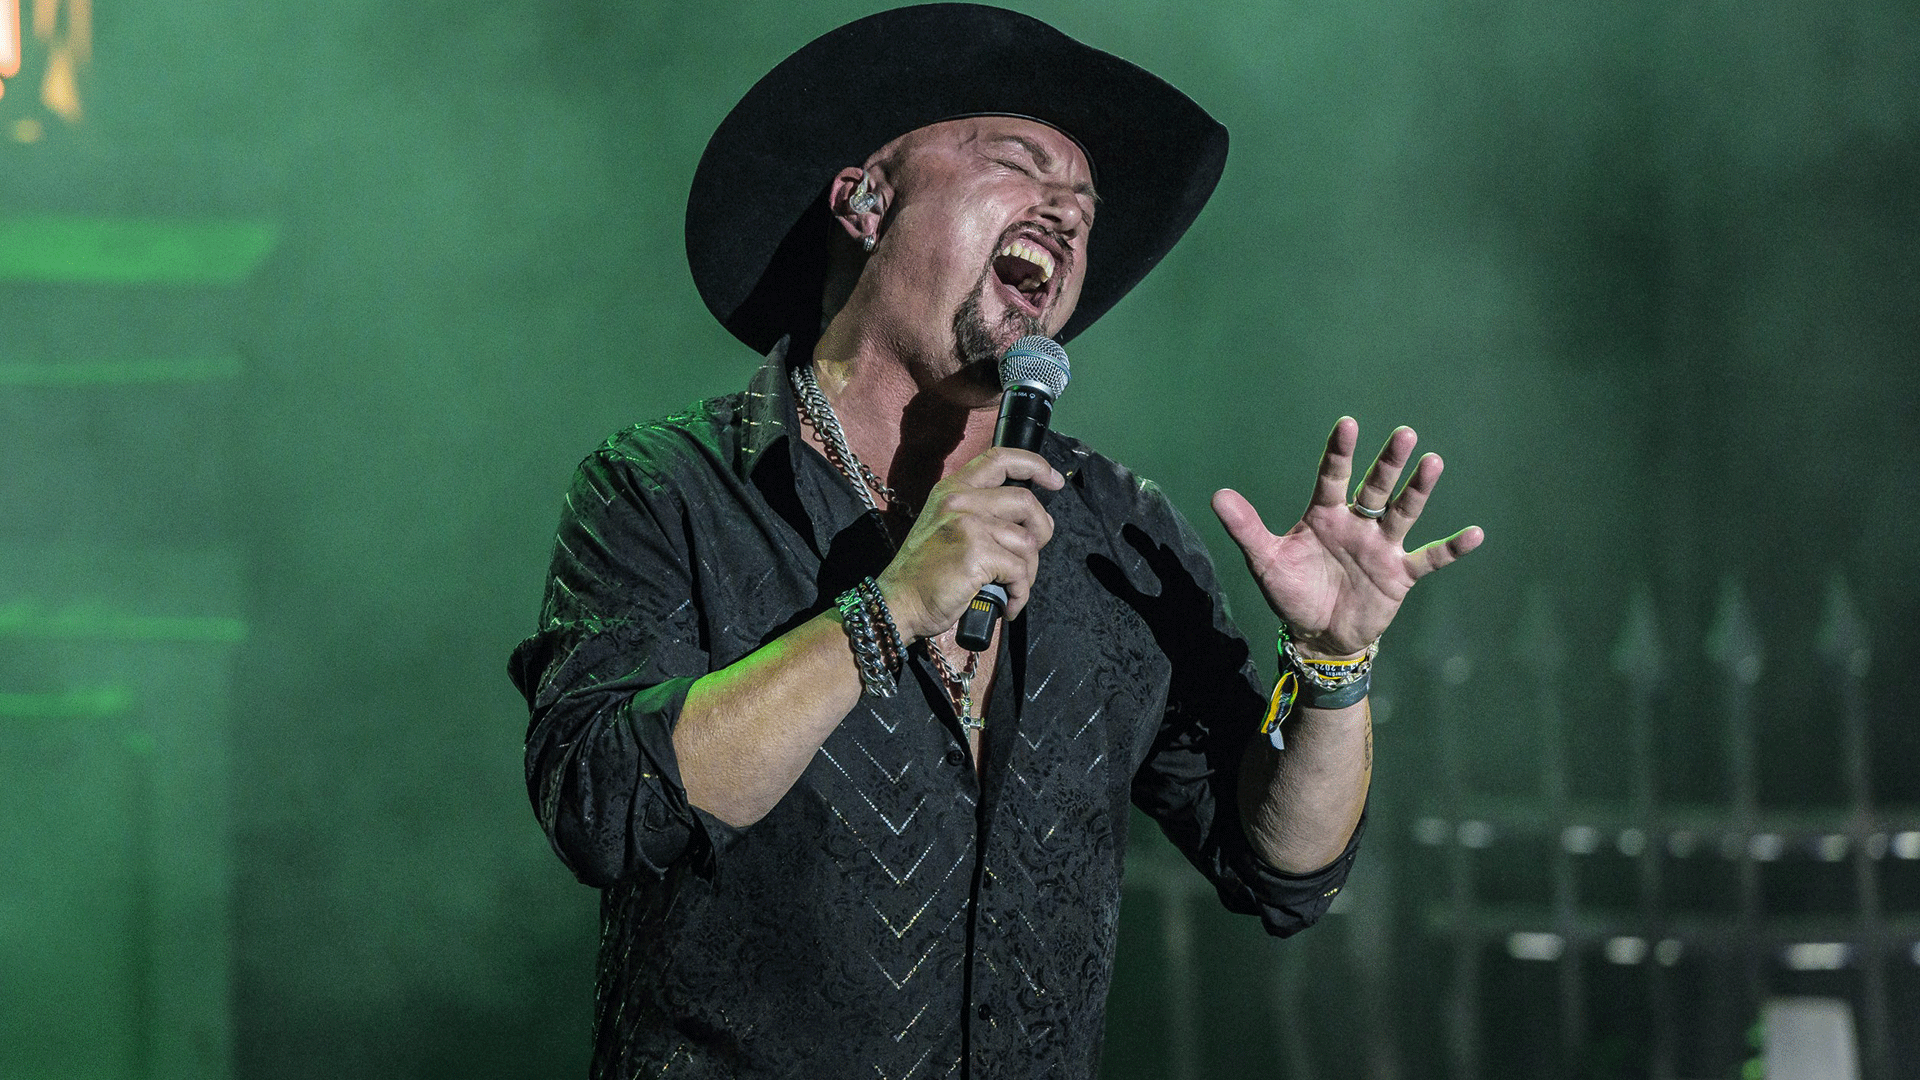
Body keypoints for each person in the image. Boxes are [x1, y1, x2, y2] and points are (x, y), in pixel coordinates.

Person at [509, 6, 1482, 1077]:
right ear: (866, 200)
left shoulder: (1115, 532)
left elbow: (1282, 868)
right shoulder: (668, 490)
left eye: (1086, 208)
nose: (1066, 214)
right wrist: (887, 612)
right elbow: (605, 806)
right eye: (1018, 163)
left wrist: (1335, 663)